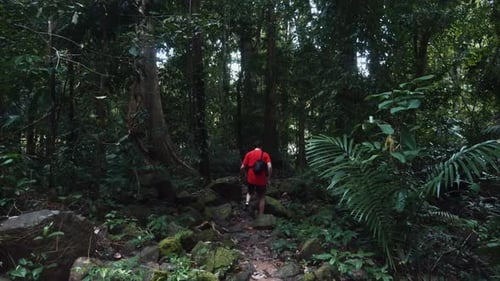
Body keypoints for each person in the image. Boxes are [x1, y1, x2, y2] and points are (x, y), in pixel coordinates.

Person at [240, 141, 272, 215]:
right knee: (261, 197)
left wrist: (243, 175)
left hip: (251, 178)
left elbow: (242, 167)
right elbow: (270, 167)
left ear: (254, 146)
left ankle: (247, 203)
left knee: (249, 192)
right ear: (261, 147)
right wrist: (268, 177)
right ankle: (261, 215)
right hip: (261, 179)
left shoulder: (249, 154)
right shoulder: (265, 155)